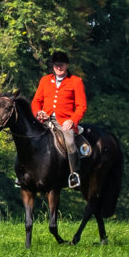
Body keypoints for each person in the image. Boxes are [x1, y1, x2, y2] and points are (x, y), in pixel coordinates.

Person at [32, 50, 89, 187]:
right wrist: (38, 112)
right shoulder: (45, 80)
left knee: (69, 142)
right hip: (44, 120)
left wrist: (72, 120)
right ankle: (23, 173)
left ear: (67, 65)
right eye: (56, 65)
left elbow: (81, 106)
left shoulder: (76, 81)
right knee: (27, 138)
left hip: (64, 122)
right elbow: (36, 102)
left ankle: (74, 174)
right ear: (53, 66)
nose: (58, 67)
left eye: (61, 65)